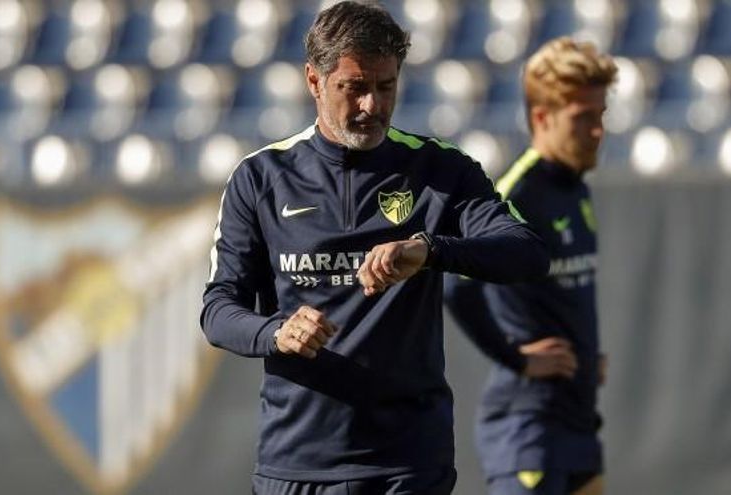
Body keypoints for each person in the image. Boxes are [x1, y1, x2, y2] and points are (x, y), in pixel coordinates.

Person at [201, 2, 549, 493]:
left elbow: (528, 253)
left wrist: (431, 250)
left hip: (406, 465)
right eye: (355, 87)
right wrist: (276, 332)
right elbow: (218, 311)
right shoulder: (260, 178)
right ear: (314, 82)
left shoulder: (441, 171)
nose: (372, 105)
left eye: (386, 87)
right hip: (297, 464)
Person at [444, 37, 618, 495]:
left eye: (601, 116)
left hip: (578, 424)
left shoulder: (576, 188)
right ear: (542, 117)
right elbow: (456, 287)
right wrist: (518, 358)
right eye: (584, 118)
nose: (598, 131)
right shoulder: (515, 195)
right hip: (528, 428)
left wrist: (586, 351)